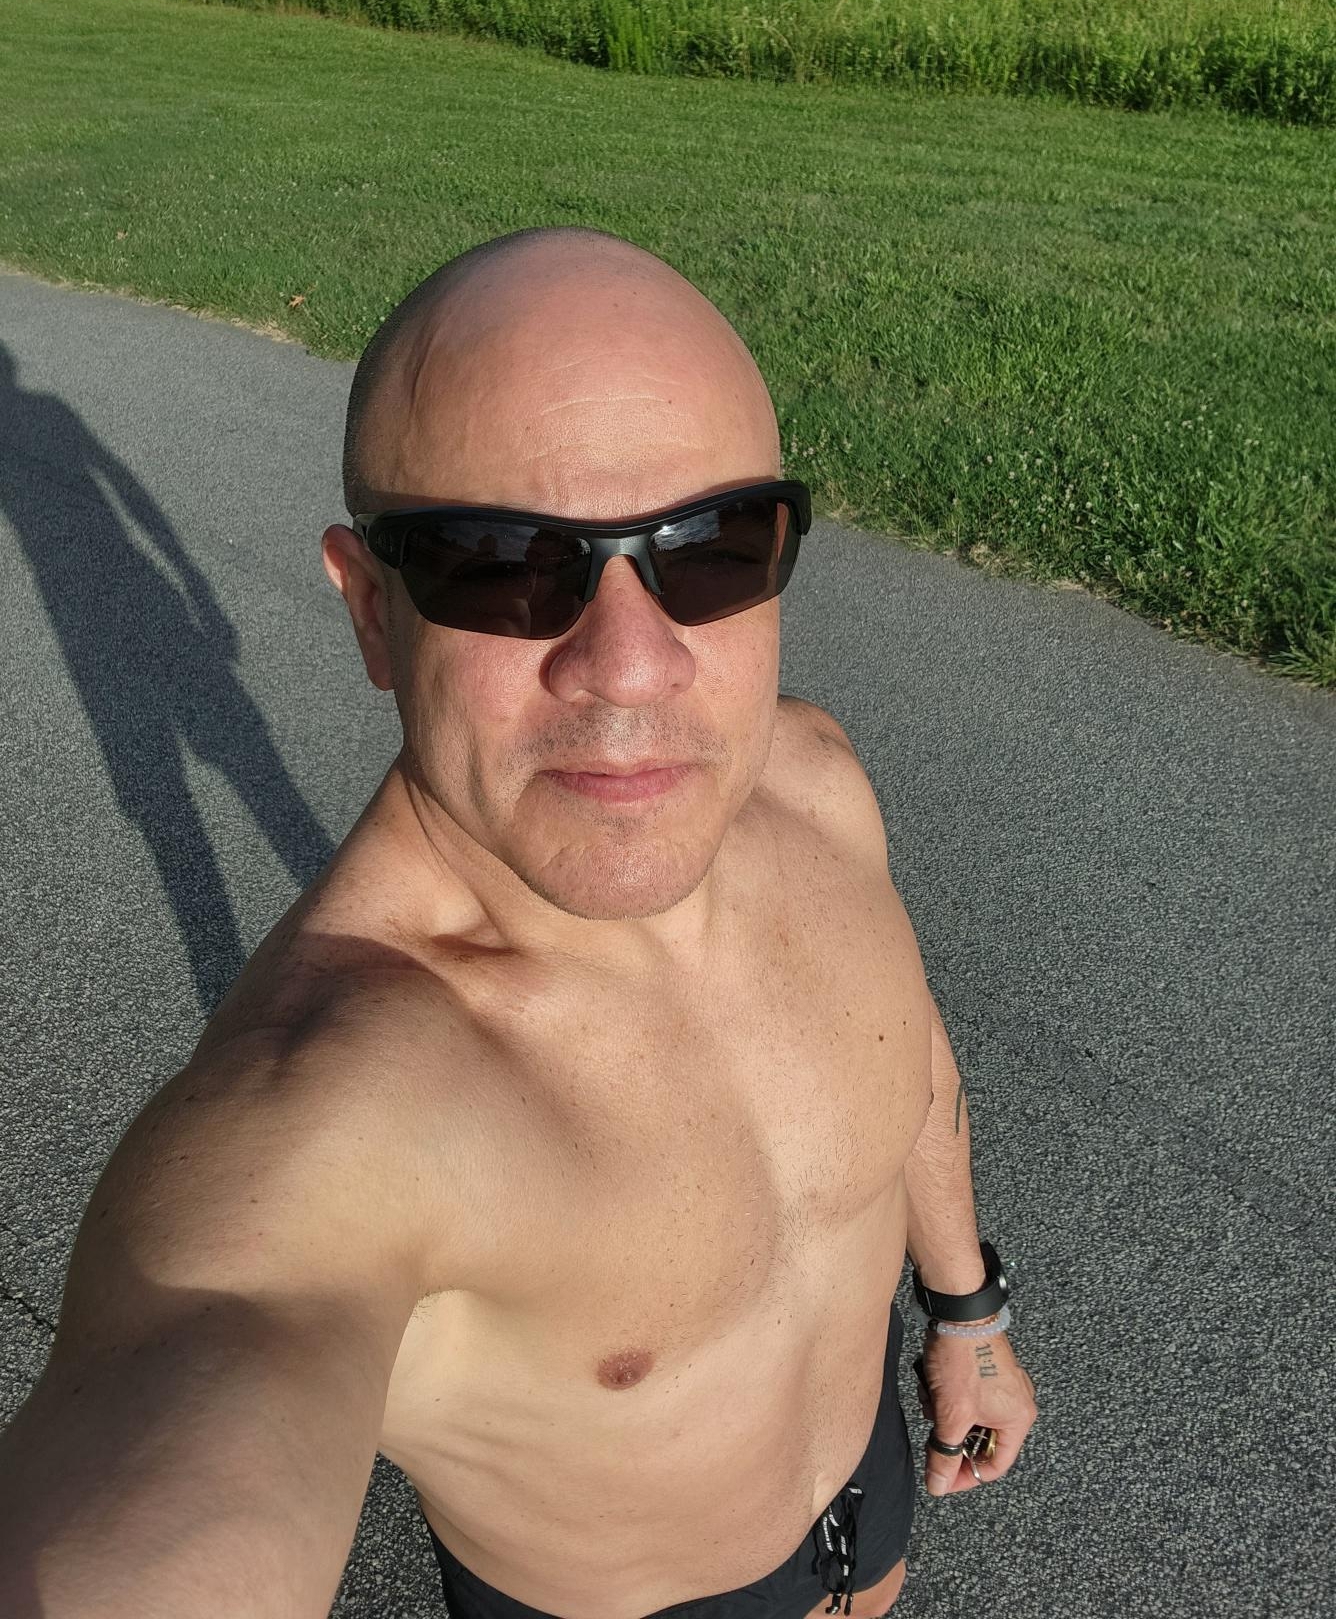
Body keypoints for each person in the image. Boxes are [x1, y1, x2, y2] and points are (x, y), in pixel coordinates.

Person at [0, 226, 1038, 1619]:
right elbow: (191, 1410)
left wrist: (969, 1314)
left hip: (870, 1493)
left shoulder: (815, 785)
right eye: (502, 565)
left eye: (715, 548)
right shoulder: (331, 1117)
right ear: (373, 611)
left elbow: (905, 1056)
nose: (632, 665)